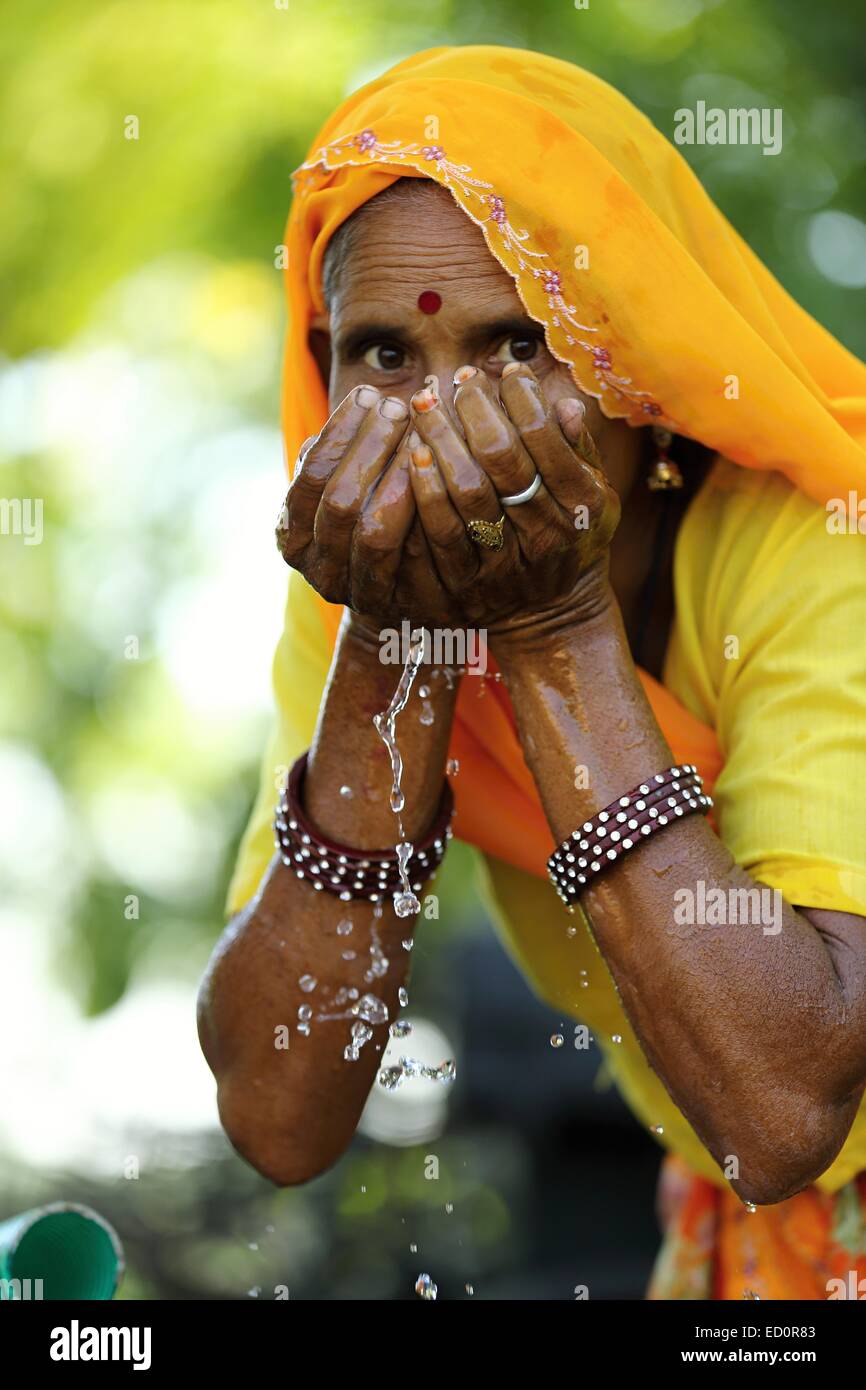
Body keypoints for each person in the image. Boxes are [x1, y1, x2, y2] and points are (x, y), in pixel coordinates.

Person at [197, 46, 866, 1299]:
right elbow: (278, 1115)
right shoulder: (364, 589)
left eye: (519, 346)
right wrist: (392, 647)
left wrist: (553, 627)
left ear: (640, 378)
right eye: (384, 357)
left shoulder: (827, 546)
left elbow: (782, 1107)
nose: (448, 429)